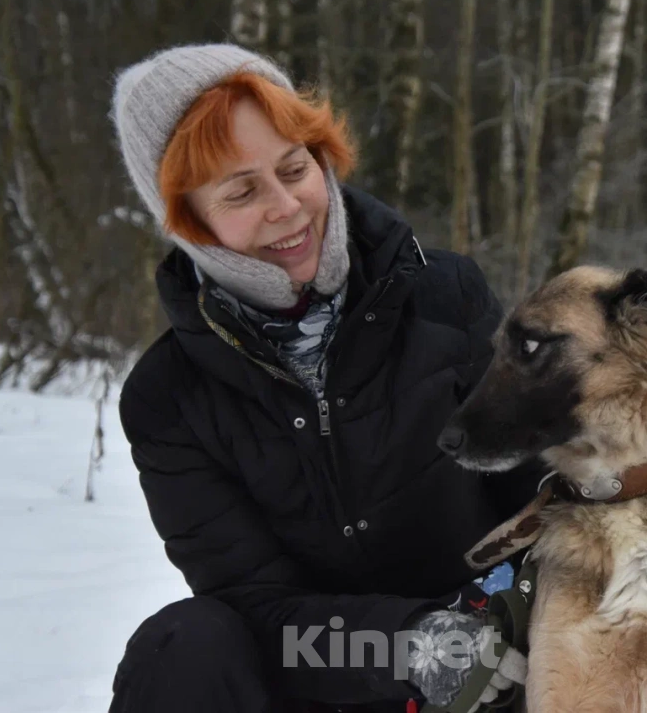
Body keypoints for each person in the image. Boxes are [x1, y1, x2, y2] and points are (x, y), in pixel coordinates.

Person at [108, 43, 545, 713]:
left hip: (490, 672)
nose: (286, 207)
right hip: (321, 679)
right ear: (188, 220)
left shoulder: (445, 298)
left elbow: (539, 497)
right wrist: (409, 648)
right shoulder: (168, 399)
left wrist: (499, 623)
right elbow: (256, 609)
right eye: (242, 190)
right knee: (182, 642)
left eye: (294, 168)